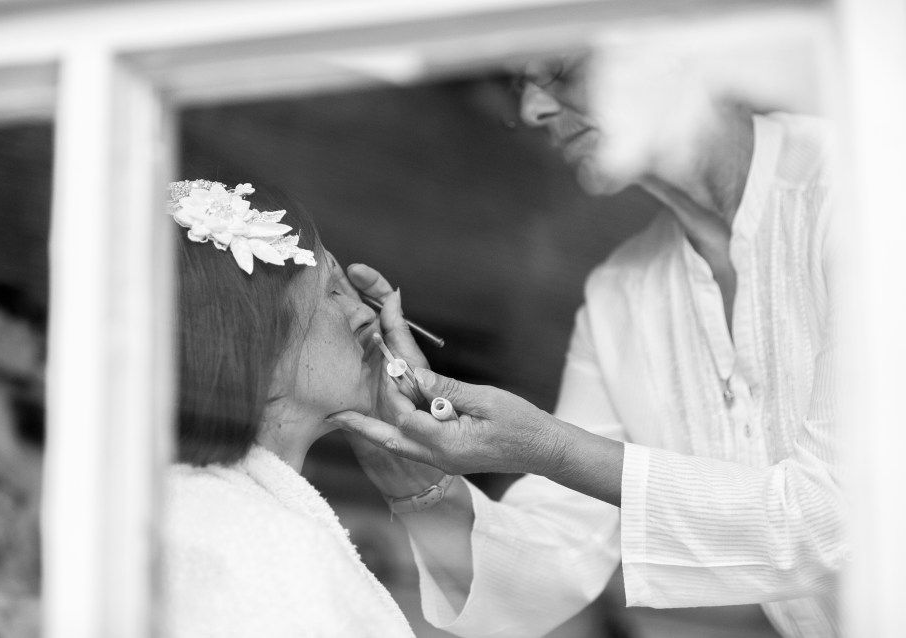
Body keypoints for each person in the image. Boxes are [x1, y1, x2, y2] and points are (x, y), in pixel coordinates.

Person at [333, 49, 844, 638]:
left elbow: (840, 521)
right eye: (519, 84)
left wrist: (549, 447)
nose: (532, 109)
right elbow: (551, 566)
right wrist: (402, 444)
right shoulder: (620, 294)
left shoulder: (867, 189)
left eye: (559, 67)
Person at [160, 180, 415, 637]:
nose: (364, 313)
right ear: (257, 343)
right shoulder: (263, 548)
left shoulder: (184, 513)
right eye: (333, 293)